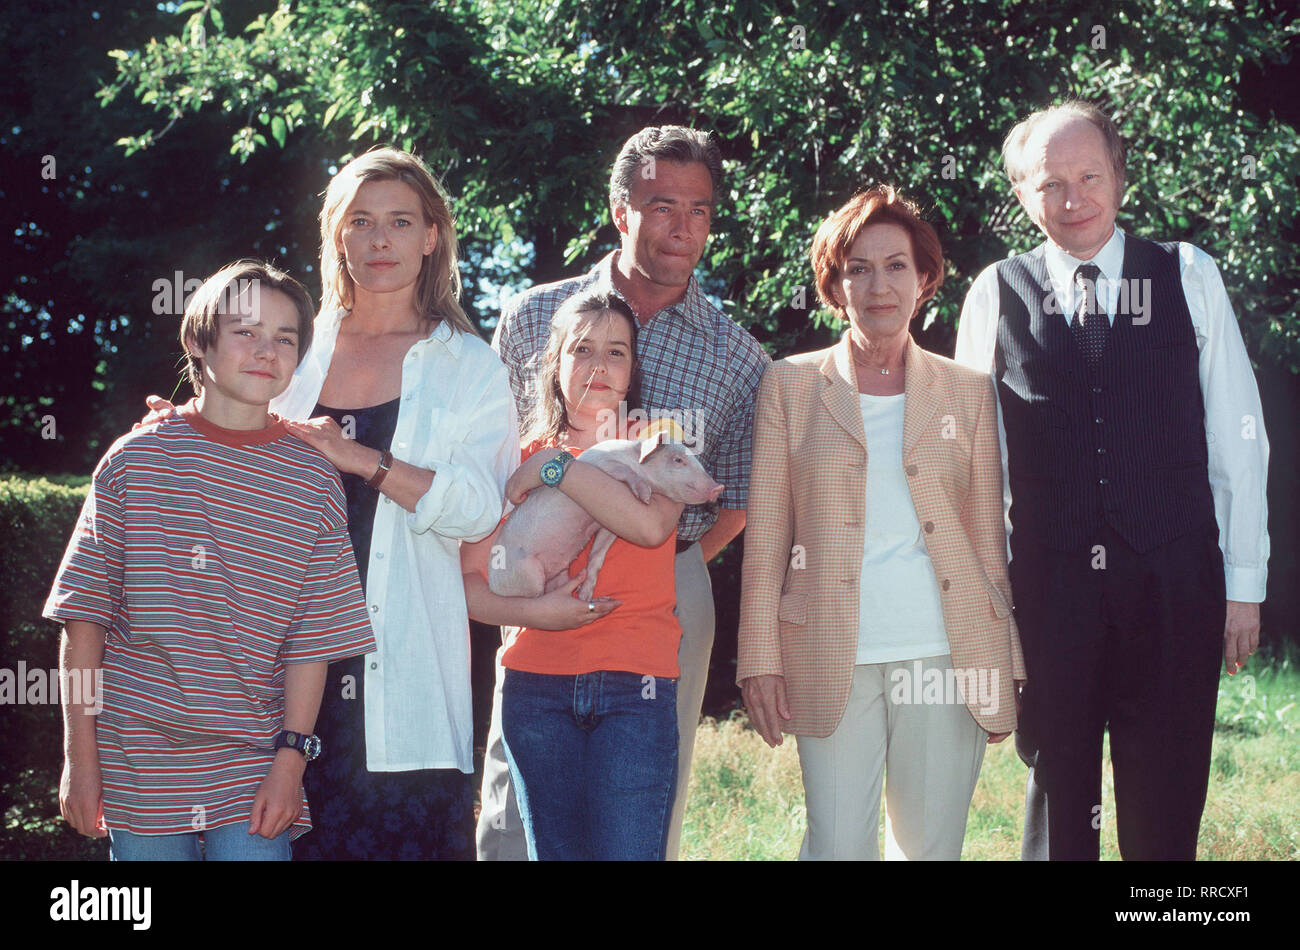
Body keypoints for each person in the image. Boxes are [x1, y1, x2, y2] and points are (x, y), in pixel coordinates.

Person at [144, 148, 518, 860]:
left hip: (403, 680)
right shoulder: (293, 344)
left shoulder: (469, 365)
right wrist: (177, 428)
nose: (380, 241)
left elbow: (478, 511)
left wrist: (360, 458)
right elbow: (230, 450)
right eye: (362, 222)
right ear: (336, 236)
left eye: (401, 222)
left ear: (431, 236)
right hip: (270, 677)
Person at [954, 101, 1269, 860]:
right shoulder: (996, 292)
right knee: (1061, 794)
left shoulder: (1187, 275)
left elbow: (1237, 437)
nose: (1073, 199)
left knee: (1166, 795)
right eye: (1049, 183)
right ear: (1022, 195)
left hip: (1174, 580)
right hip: (1050, 589)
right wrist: (990, 604)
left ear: (1120, 178)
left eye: (1089, 176)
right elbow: (973, 467)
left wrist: (1244, 587)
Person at [479, 125, 770, 860]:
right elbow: (495, 456)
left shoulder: (737, 353)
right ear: (621, 212)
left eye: (700, 210)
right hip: (536, 570)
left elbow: (738, 495)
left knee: (640, 807)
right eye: (662, 205)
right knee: (516, 813)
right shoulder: (533, 317)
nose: (682, 227)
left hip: (665, 586)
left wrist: (670, 554)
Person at [46, 261, 377, 860]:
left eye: (285, 338)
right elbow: (83, 619)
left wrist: (292, 758)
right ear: (199, 341)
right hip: (136, 757)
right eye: (245, 332)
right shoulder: (134, 462)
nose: (266, 351)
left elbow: (313, 639)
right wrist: (79, 757)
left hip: (255, 762)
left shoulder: (314, 480)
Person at [737, 186, 1023, 860]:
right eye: (857, 268)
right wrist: (759, 657)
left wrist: (1004, 657)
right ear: (834, 285)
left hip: (945, 655)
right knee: (836, 847)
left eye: (896, 266)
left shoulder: (968, 391)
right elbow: (768, 539)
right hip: (831, 653)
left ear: (924, 280)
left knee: (929, 851)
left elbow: (988, 539)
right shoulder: (789, 385)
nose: (878, 285)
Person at [463, 290, 687, 860]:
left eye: (617, 352)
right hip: (537, 686)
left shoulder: (661, 445)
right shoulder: (516, 455)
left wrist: (560, 469)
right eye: (581, 350)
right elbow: (472, 586)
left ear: (634, 369)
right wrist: (536, 613)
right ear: (554, 363)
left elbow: (647, 527)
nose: (599, 367)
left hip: (637, 684)